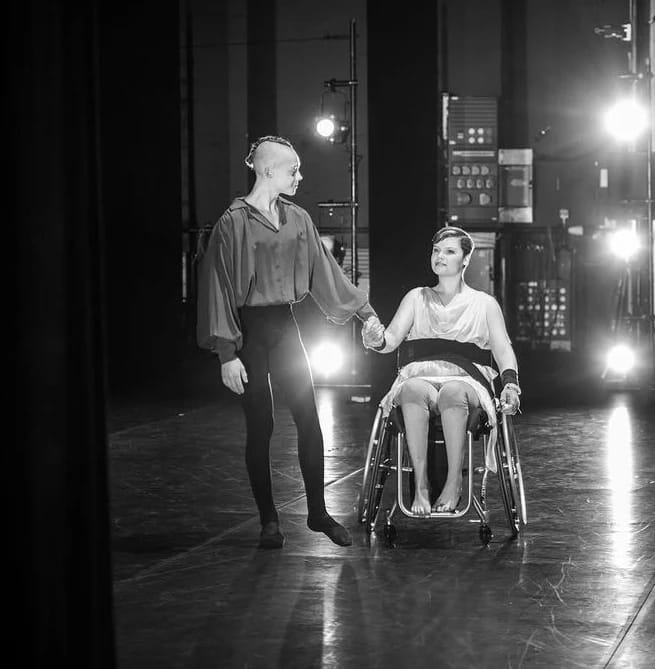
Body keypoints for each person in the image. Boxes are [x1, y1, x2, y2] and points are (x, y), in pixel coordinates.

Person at [197, 135, 384, 548]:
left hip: (284, 326)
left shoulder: (297, 218)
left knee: (308, 418)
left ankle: (317, 513)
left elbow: (326, 273)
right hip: (248, 331)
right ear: (267, 171)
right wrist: (228, 353)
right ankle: (269, 520)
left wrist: (366, 314)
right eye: (292, 169)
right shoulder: (233, 223)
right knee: (260, 424)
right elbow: (219, 287)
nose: (300, 176)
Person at [361, 226, 520, 516]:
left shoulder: (484, 304)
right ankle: (420, 485)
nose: (440, 256)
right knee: (411, 389)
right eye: (436, 250)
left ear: (465, 259)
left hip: (466, 377)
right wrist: (376, 340)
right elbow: (391, 339)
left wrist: (510, 383)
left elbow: (502, 350)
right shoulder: (416, 297)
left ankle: (453, 482)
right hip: (420, 374)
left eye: (449, 251)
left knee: (453, 391)